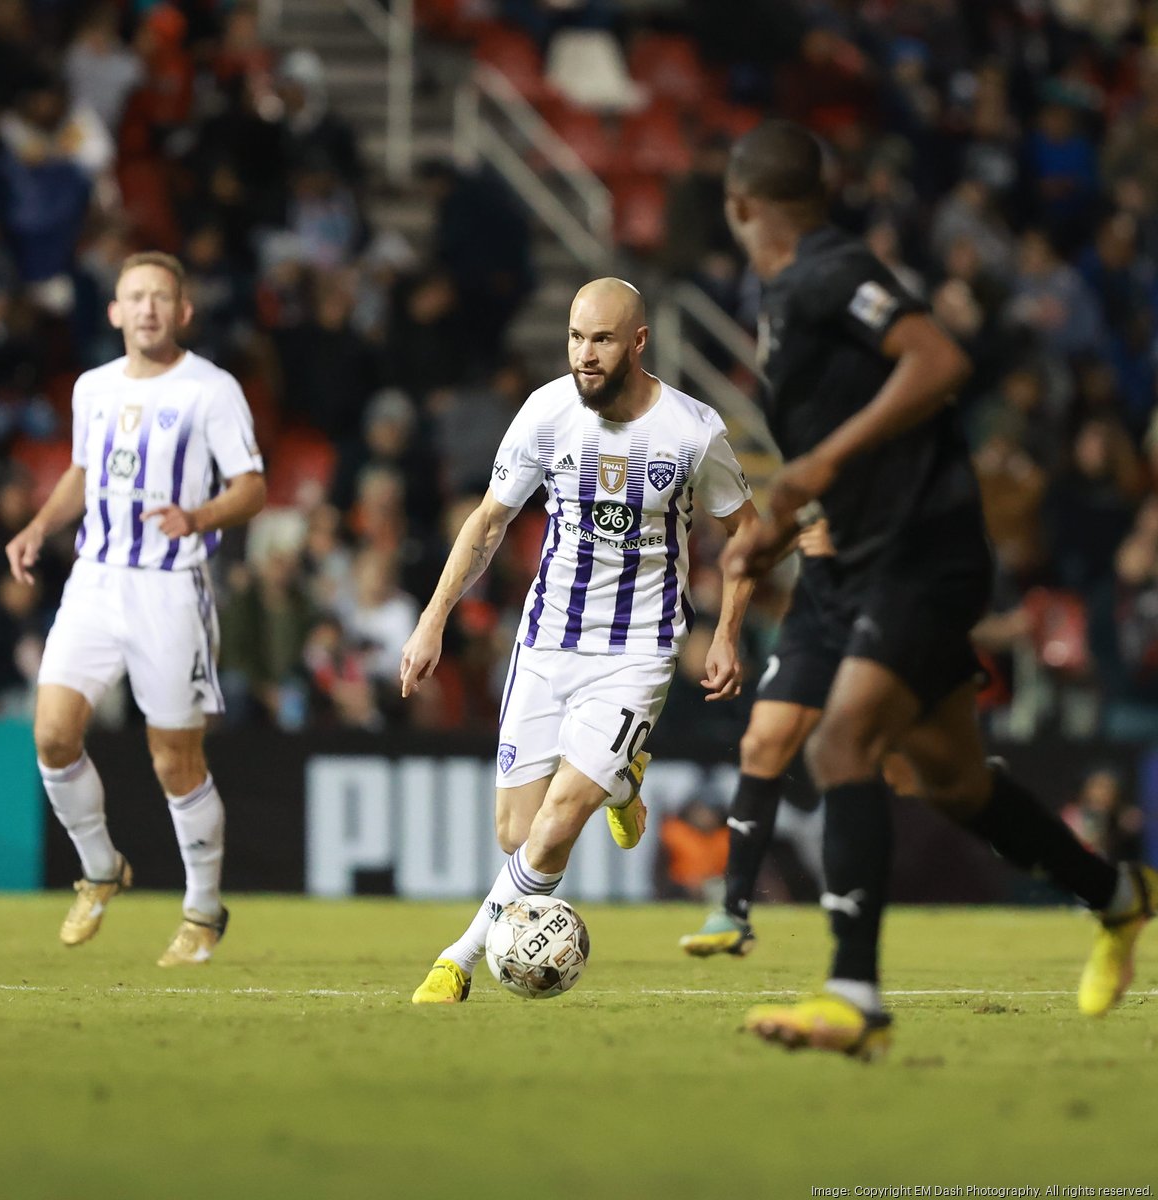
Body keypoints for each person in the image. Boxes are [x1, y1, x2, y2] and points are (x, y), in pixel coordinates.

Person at [721, 120, 1155, 1058]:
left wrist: (814, 468)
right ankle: (1121, 898)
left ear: (742, 206)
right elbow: (844, 458)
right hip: (860, 559)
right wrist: (777, 533)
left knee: (845, 743)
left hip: (925, 553)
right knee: (949, 781)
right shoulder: (789, 295)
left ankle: (853, 997)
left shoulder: (832, 272)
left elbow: (939, 360)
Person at [401, 277, 759, 1003]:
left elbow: (748, 532)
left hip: (639, 651)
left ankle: (459, 958)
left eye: (599, 340)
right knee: (518, 834)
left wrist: (726, 633)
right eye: (573, 337)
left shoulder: (693, 430)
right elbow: (489, 521)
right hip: (548, 640)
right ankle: (625, 779)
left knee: (560, 822)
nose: (583, 355)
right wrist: (432, 618)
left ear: (637, 342)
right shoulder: (546, 413)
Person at [5, 251, 266, 965]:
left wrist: (200, 513)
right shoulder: (92, 388)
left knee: (173, 761)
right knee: (53, 736)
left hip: (170, 587)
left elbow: (252, 487)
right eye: (134, 297)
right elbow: (83, 474)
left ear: (183, 312)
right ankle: (99, 869)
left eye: (160, 297)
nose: (147, 308)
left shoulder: (211, 390)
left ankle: (203, 912)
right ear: (115, 311)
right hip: (95, 579)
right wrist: (36, 527)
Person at [679, 519, 843, 956]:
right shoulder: (815, 487)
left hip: (878, 602)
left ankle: (851, 913)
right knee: (756, 747)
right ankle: (733, 910)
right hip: (816, 625)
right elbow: (698, 665)